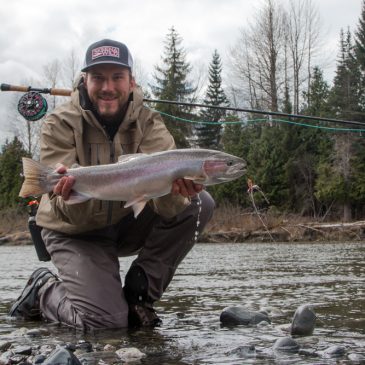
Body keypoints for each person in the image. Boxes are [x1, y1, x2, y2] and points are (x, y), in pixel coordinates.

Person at [9, 39, 215, 330]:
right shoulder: (60, 123)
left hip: (124, 220)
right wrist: (67, 193)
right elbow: (65, 211)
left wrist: (174, 193)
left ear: (131, 82)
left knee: (199, 202)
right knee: (105, 323)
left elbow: (168, 209)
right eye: (98, 78)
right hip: (74, 231)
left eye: (117, 77)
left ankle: (138, 295)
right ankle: (43, 291)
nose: (107, 87)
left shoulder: (150, 123)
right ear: (85, 80)